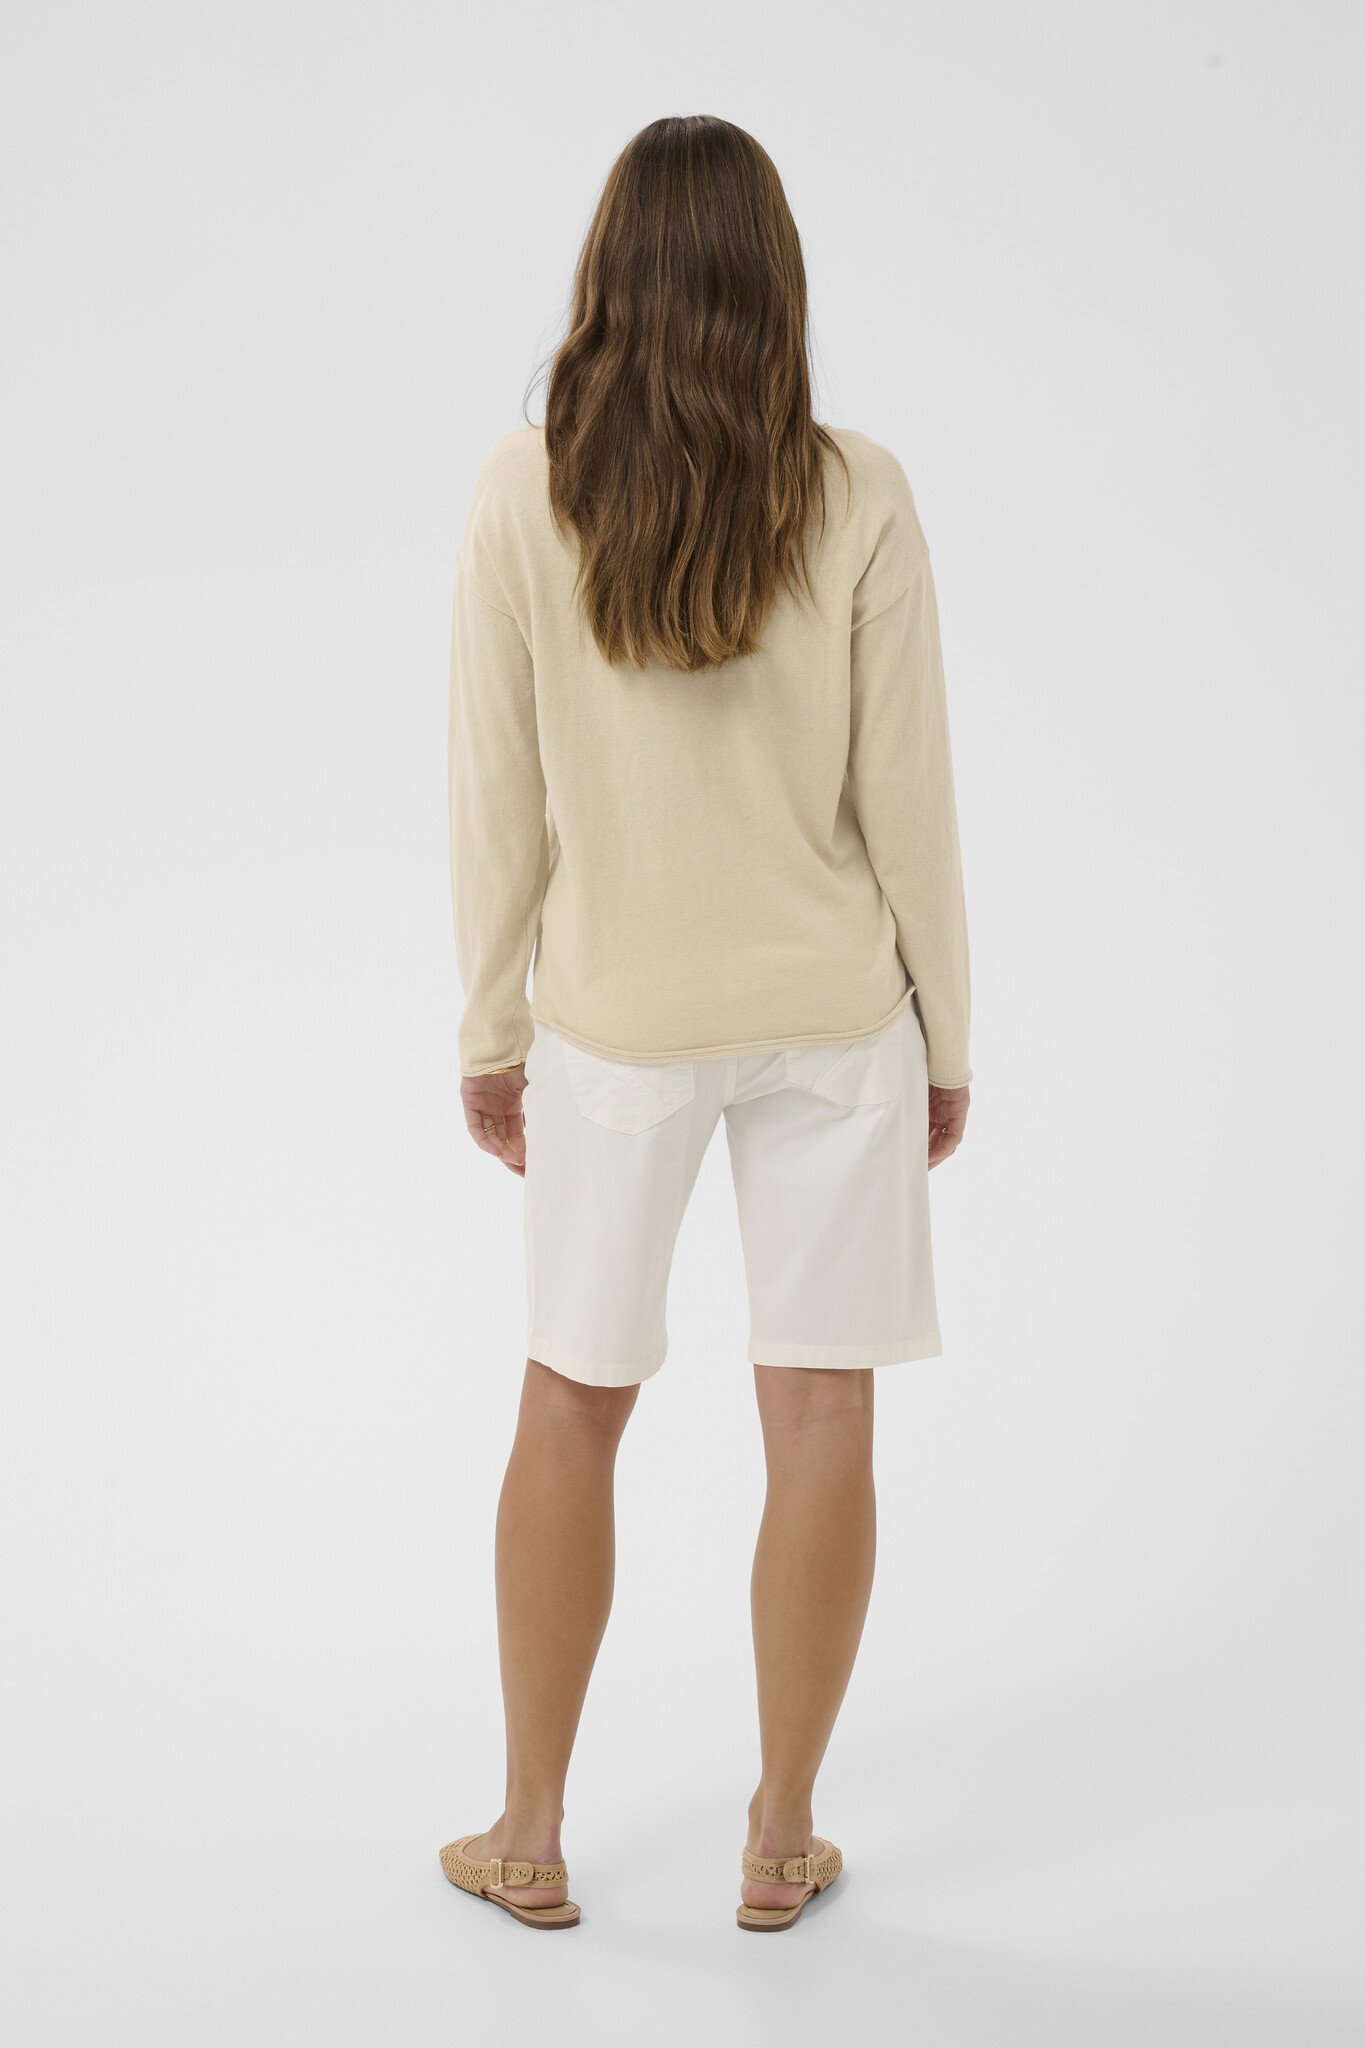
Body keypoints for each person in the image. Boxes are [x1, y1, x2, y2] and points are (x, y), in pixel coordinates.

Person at [440, 114, 971, 1934]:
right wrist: (947, 1038)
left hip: (613, 1020)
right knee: (818, 1416)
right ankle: (777, 1835)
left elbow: (493, 792)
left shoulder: (524, 489)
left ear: (609, 279)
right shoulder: (856, 490)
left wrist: (487, 1026)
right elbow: (911, 797)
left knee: (572, 1398)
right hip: (834, 1014)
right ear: (772, 282)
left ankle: (527, 1834)